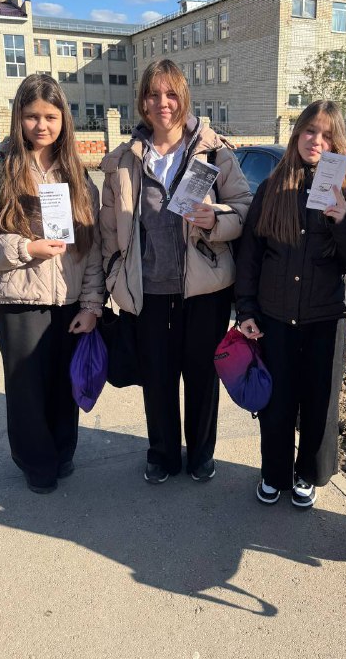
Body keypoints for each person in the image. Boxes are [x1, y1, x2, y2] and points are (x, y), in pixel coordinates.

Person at [0, 74, 104, 494]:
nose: (41, 125)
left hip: (69, 300)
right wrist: (24, 248)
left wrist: (91, 305)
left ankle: (63, 452)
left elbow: (93, 247)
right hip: (17, 300)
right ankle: (37, 464)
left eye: (50, 117)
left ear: (63, 119)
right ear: (18, 117)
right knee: (27, 390)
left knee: (65, 384)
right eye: (32, 116)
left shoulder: (77, 176)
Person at [99, 58, 252, 485]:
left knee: (201, 377)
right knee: (157, 379)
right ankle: (162, 454)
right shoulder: (125, 160)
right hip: (147, 290)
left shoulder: (214, 151)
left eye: (170, 94)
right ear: (142, 102)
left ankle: (201, 455)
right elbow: (109, 230)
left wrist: (215, 219)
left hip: (205, 290)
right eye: (153, 94)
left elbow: (244, 208)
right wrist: (113, 275)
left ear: (183, 98)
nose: (162, 103)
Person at [235, 100, 346, 508]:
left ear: (337, 142)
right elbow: (250, 255)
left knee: (319, 404)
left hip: (325, 317)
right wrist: (246, 310)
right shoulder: (272, 188)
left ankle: (307, 474)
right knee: (276, 403)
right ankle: (274, 473)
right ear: (297, 134)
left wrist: (343, 219)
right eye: (310, 131)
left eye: (327, 135)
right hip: (275, 316)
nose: (317, 141)